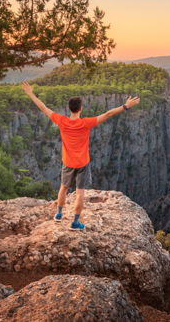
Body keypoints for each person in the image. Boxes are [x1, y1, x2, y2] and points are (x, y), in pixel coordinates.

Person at [21, 81, 140, 230]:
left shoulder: (61, 121)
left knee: (63, 188)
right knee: (79, 193)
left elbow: (42, 107)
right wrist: (125, 106)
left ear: (69, 108)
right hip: (82, 163)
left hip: (67, 162)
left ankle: (58, 215)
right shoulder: (86, 123)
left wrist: (30, 93)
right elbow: (108, 114)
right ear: (81, 108)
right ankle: (75, 223)